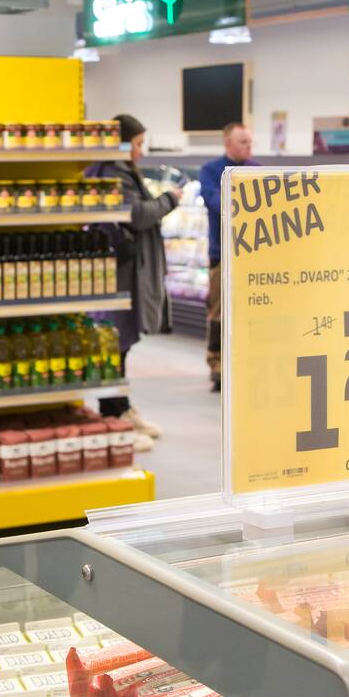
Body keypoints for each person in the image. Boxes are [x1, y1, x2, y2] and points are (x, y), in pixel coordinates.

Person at [87, 114, 180, 449]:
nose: (141, 151)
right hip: (119, 271)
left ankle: (121, 408)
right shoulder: (113, 172)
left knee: (121, 343)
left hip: (123, 269)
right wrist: (169, 200)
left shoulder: (117, 170)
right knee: (116, 341)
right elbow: (138, 215)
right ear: (122, 142)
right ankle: (113, 417)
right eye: (138, 144)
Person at [198, 122, 256, 392]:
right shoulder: (211, 171)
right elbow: (217, 202)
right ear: (228, 143)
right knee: (219, 312)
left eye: (250, 142)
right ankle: (217, 365)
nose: (249, 147)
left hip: (253, 255)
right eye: (243, 142)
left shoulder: (257, 170)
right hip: (222, 255)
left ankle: (246, 363)